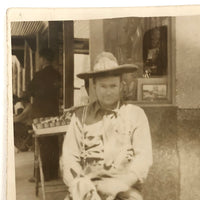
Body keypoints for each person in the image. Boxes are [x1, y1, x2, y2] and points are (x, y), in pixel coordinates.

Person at [62, 52, 153, 200]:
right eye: (103, 86)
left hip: (124, 189)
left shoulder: (136, 115)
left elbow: (143, 159)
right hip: (88, 188)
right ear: (94, 86)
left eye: (113, 86)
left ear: (121, 86)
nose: (108, 91)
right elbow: (69, 159)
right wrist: (81, 187)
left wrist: (120, 184)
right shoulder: (80, 117)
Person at [27, 47, 61, 181]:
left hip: (41, 114)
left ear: (43, 59)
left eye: (40, 58)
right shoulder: (57, 75)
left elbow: (29, 91)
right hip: (54, 113)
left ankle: (42, 176)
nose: (39, 60)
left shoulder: (38, 75)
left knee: (42, 144)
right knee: (53, 142)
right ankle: (53, 173)